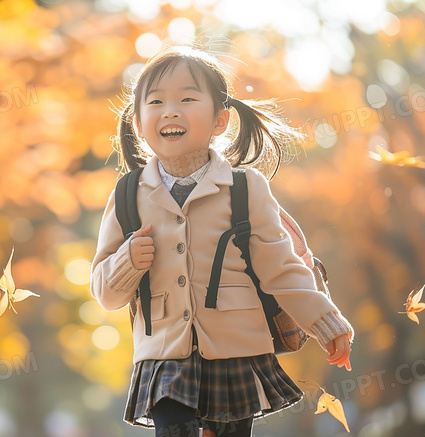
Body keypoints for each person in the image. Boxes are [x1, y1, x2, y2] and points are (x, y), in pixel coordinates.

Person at [89, 44, 354, 437]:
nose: (171, 110)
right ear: (139, 122)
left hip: (236, 350)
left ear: (220, 120)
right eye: (156, 101)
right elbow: (105, 293)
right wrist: (127, 260)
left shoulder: (245, 188)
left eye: (187, 98)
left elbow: (282, 270)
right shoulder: (128, 195)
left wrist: (327, 322)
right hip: (164, 356)